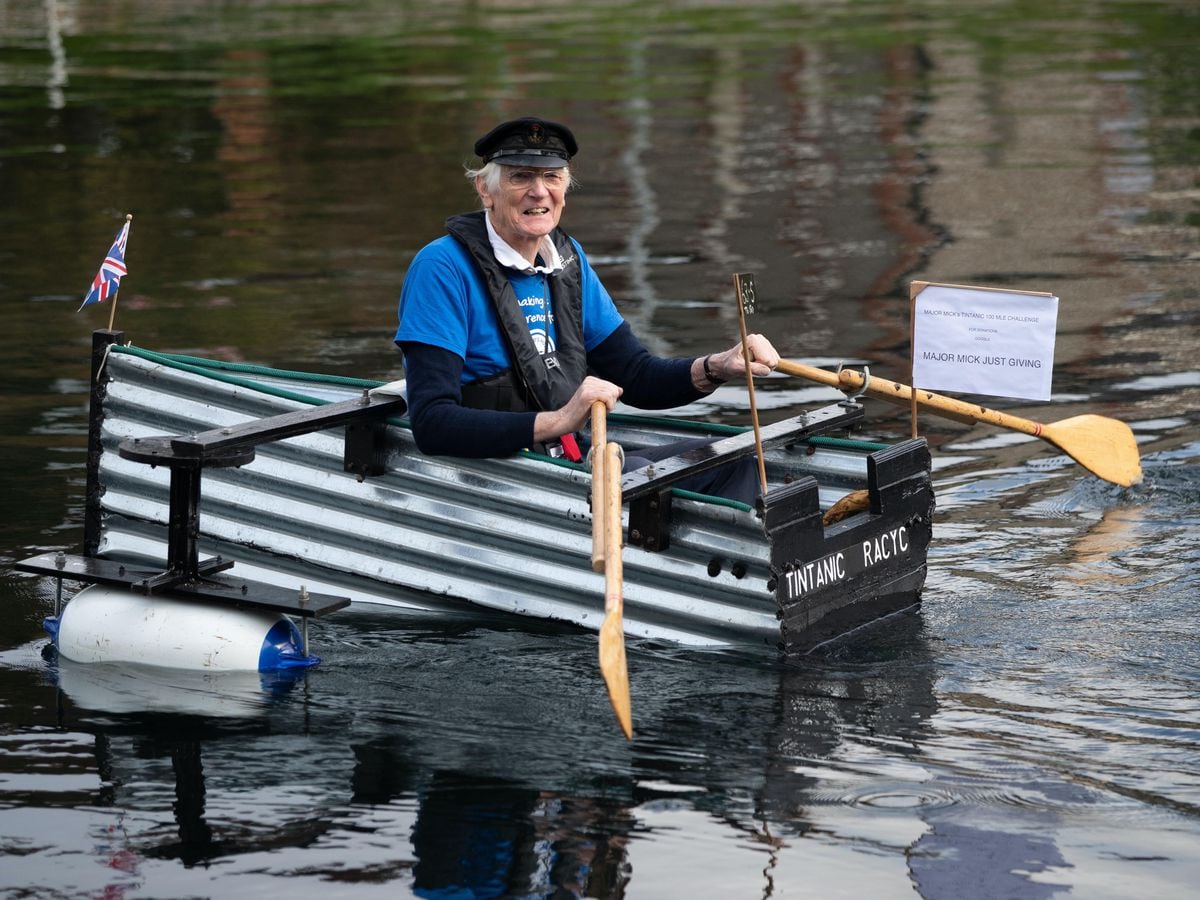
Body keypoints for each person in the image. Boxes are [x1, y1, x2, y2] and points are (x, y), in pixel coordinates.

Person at [394, 116, 780, 504]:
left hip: (571, 460)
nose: (539, 192)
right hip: (510, 473)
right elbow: (433, 423)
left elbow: (638, 376)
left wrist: (719, 365)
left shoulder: (567, 259)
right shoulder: (441, 267)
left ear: (565, 187)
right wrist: (561, 420)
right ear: (485, 189)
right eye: (521, 177)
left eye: (552, 177)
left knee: (736, 461)